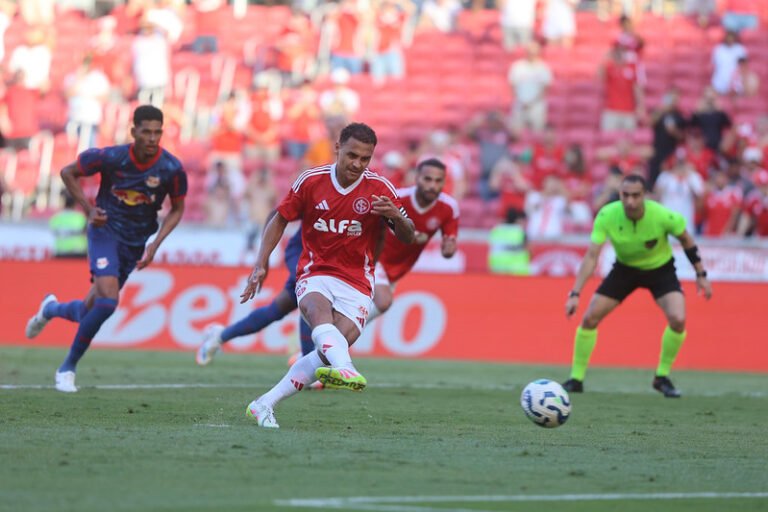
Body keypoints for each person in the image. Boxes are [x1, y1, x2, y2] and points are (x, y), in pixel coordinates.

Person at [241, 123, 415, 428]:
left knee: (325, 352)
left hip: (358, 281)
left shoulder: (380, 189)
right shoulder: (311, 181)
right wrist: (260, 263)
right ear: (338, 148)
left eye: (365, 159)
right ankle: (346, 366)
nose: (357, 164)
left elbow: (408, 236)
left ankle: (264, 404)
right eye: (352, 156)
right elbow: (280, 219)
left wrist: (395, 216)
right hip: (316, 271)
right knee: (318, 314)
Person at [24, 105, 187, 393]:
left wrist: (155, 243)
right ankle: (67, 368)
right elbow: (68, 172)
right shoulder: (111, 157)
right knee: (109, 301)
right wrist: (89, 209)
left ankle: (50, 309)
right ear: (133, 131)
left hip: (135, 243)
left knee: (88, 310)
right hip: (105, 233)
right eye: (146, 132)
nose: (152, 138)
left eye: (157, 132)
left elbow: (177, 208)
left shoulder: (171, 168)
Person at [563, 175, 713, 398]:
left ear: (645, 195)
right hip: (624, 270)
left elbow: (687, 240)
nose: (630, 201)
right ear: (620, 195)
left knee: (678, 319)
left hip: (660, 270)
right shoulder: (607, 215)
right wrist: (575, 293)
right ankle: (576, 379)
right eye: (625, 195)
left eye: (636, 195)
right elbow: (592, 256)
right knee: (589, 318)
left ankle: (661, 377)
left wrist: (701, 274)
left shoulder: (663, 215)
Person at [195, 229, 317, 367]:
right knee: (310, 300)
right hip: (306, 258)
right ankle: (308, 357)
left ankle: (220, 335)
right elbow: (276, 219)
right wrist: (262, 261)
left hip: (325, 262)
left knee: (276, 310)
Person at [369, 158, 459, 321]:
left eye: (438, 181)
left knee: (366, 308)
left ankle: (339, 333)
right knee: (383, 302)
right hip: (375, 260)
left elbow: (449, 245)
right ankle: (339, 332)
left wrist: (449, 249)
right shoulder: (398, 198)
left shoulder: (449, 208)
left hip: (399, 269)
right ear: (417, 178)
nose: (432, 185)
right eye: (427, 179)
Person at [49, 192, 88, 258]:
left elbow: (53, 232)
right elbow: (86, 232)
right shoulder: (81, 217)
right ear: (74, 204)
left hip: (61, 251)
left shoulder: (56, 218)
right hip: (78, 251)